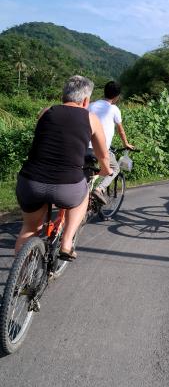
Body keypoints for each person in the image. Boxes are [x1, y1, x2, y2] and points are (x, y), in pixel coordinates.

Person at [15, 75, 112, 259]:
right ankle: (67, 243)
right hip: (66, 186)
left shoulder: (46, 111)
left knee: (28, 229)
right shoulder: (91, 119)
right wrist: (105, 170)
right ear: (85, 100)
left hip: (30, 182)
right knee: (83, 195)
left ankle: (19, 282)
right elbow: (103, 155)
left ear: (64, 95)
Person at [89, 80, 135, 204]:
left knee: (87, 173)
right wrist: (126, 144)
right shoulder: (113, 109)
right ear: (117, 96)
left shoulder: (91, 105)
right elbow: (121, 130)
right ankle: (99, 189)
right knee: (115, 169)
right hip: (100, 148)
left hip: (83, 147)